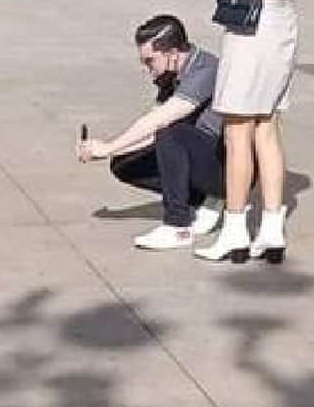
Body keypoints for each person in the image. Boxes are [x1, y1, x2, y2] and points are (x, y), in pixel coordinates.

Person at [183, 0, 311, 264]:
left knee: (237, 131)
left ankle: (235, 228)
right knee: (267, 128)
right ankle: (272, 229)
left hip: (251, 31)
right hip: (283, 22)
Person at [77, 15, 225, 249]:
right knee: (124, 163)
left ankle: (177, 226)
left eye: (150, 61)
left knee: (169, 132)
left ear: (173, 53)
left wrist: (108, 147)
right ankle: (199, 199)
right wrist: (110, 150)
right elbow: (149, 131)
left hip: (226, 164)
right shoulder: (171, 74)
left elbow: (159, 121)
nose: (148, 69)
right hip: (199, 155)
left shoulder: (205, 69)